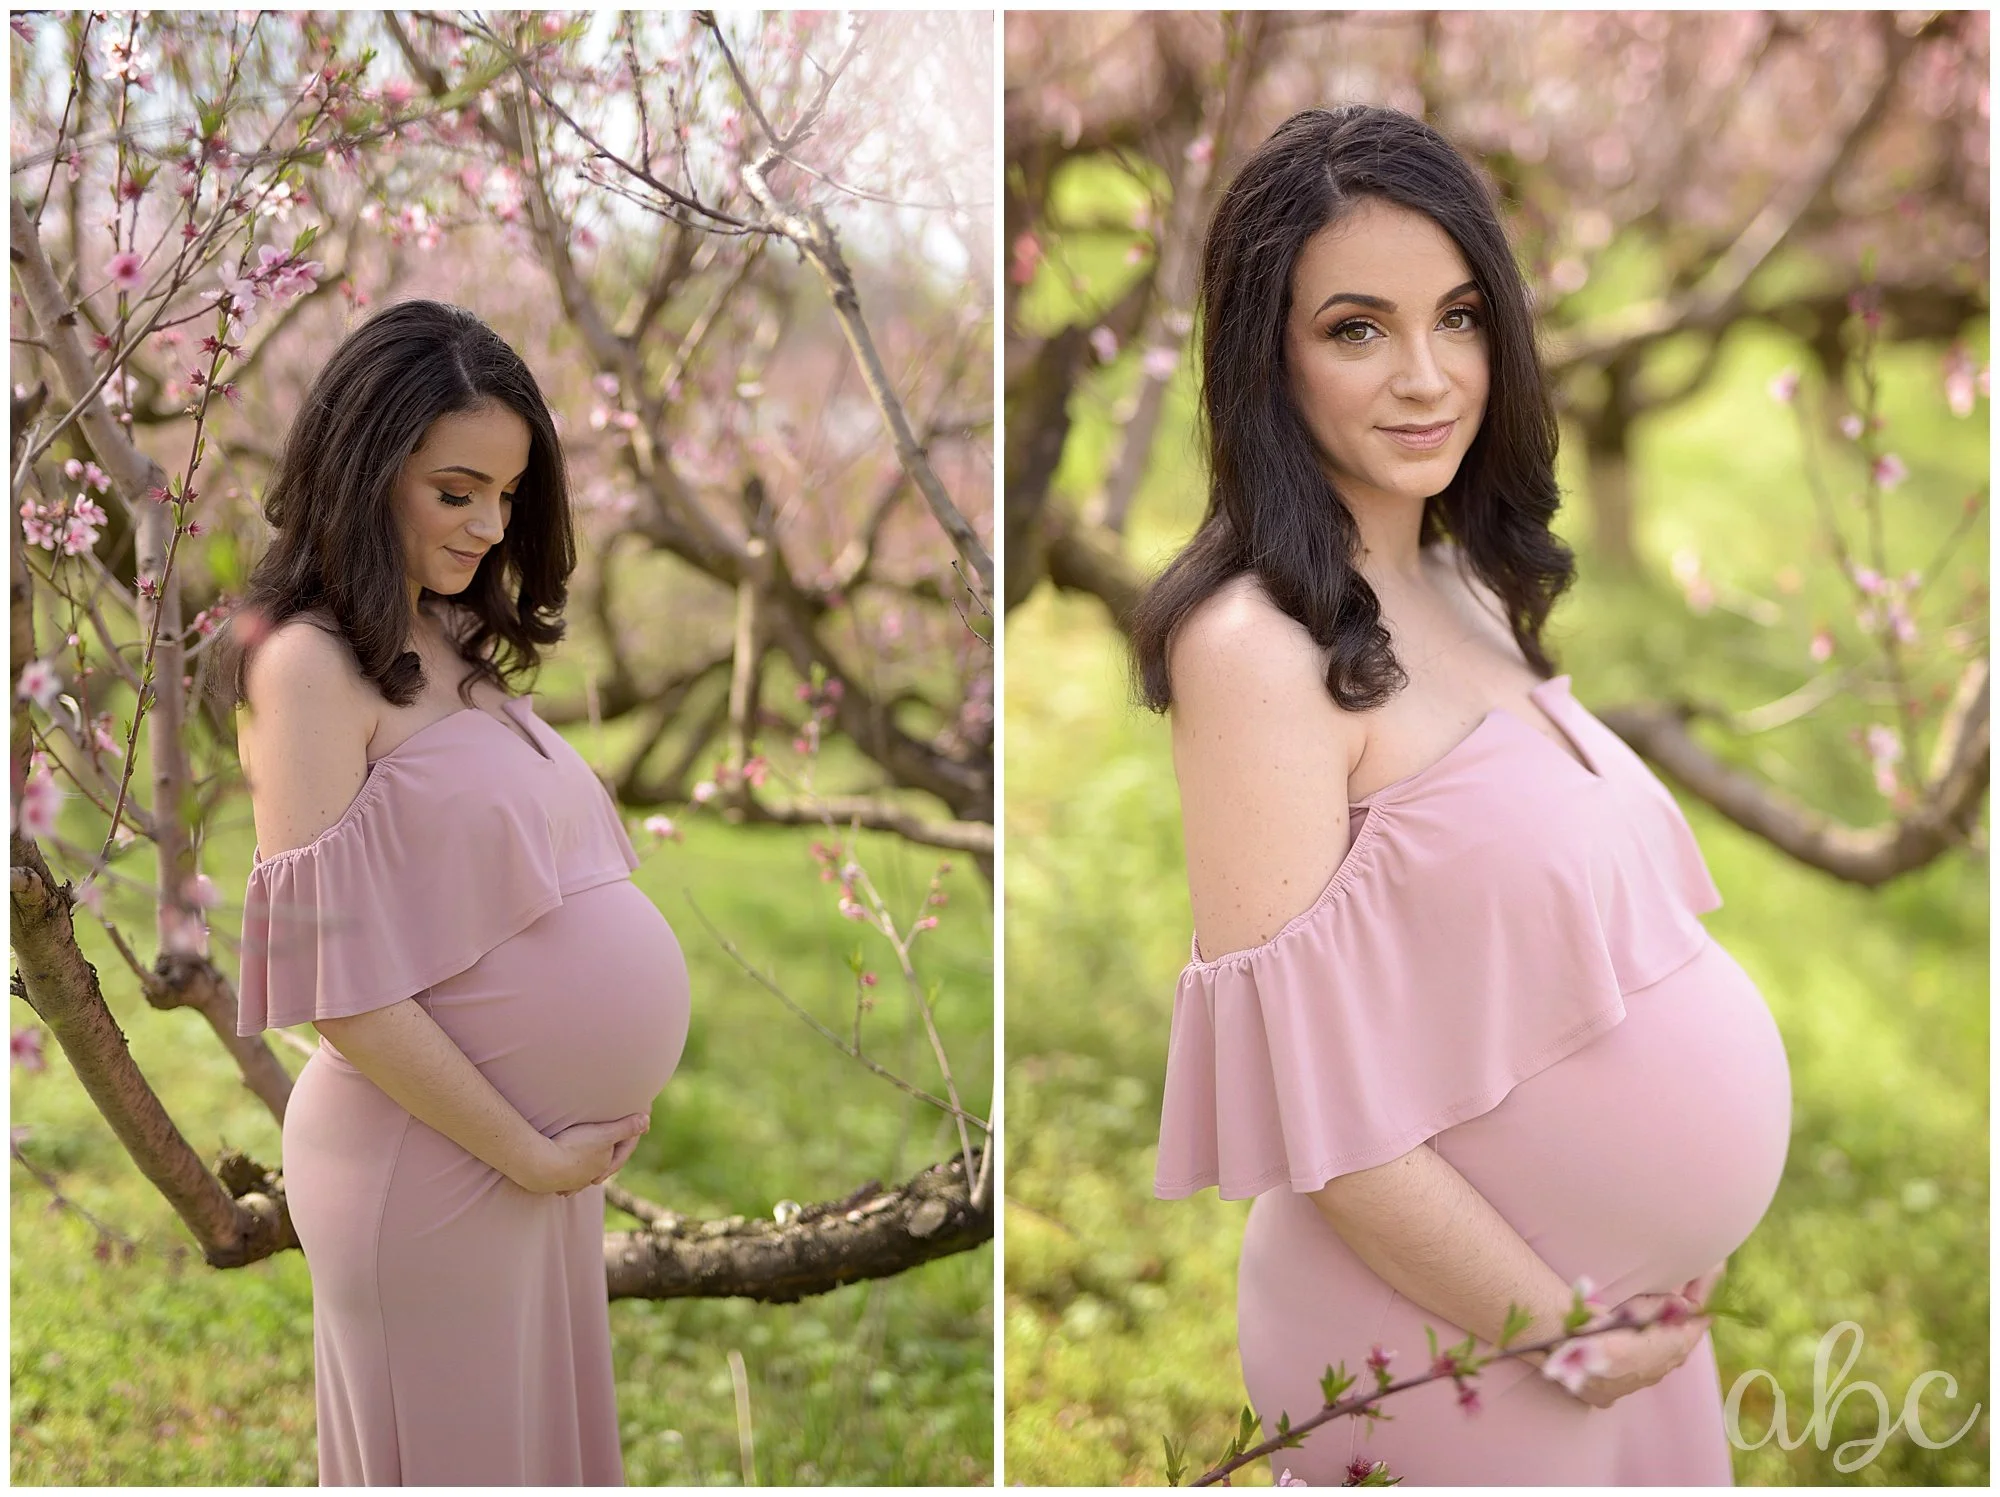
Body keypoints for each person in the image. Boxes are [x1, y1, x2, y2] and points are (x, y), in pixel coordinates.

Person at [1133, 106, 1792, 1483]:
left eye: (1461, 317)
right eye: (1358, 327)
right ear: (1269, 352)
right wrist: (1556, 1327)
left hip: (1618, 1335)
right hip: (1456, 1348)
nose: (1428, 376)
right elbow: (1318, 1117)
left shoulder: (1461, 581)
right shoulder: (1258, 649)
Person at [224, 299, 692, 1485]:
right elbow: (338, 990)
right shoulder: (307, 666)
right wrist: (523, 1152)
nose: (489, 524)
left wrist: (548, 1153)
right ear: (365, 470)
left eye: (508, 494)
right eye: (455, 490)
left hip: (524, 1164)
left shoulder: (448, 641)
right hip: (429, 1163)